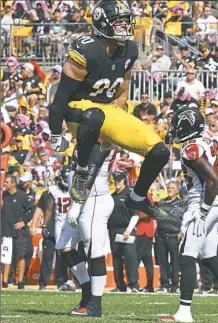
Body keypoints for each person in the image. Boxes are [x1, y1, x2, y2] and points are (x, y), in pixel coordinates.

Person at [49, 0, 170, 222]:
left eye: (126, 22)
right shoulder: (86, 48)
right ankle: (82, 171)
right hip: (78, 108)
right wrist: (55, 133)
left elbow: (123, 90)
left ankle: (137, 197)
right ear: (103, 24)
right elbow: (59, 100)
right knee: (94, 116)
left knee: (160, 151)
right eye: (119, 23)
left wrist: (117, 123)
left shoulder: (129, 49)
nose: (125, 27)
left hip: (106, 108)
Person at [160, 107, 218, 323]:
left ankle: (184, 312)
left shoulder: (191, 148)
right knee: (209, 257)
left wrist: (202, 211)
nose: (173, 128)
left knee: (186, 255)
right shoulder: (204, 142)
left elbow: (214, 181)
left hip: (202, 203)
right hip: (211, 204)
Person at [55, 143, 115, 317]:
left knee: (94, 251)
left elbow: (91, 171)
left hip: (95, 199)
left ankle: (95, 304)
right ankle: (87, 290)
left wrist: (78, 202)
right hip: (79, 199)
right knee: (63, 246)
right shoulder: (83, 137)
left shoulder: (102, 141)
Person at [108, 172, 139, 293]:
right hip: (113, 229)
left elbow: (135, 214)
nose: (117, 182)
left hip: (126, 229)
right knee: (116, 257)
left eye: (119, 180)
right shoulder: (112, 196)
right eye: (115, 180)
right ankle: (120, 285)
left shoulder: (129, 195)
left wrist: (129, 230)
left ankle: (133, 284)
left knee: (130, 257)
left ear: (124, 181)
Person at [1, 175, 33, 289]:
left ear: (13, 184)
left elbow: (32, 208)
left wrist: (24, 222)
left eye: (7, 182)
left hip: (18, 231)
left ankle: (20, 282)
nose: (5, 184)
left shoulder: (21, 196)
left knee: (20, 255)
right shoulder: (3, 195)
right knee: (6, 257)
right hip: (5, 230)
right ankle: (4, 281)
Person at [156, 182, 182, 293]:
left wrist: (181, 233)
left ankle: (175, 284)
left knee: (175, 261)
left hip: (174, 235)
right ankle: (164, 284)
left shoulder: (182, 203)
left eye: (172, 188)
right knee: (163, 261)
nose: (170, 189)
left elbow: (185, 219)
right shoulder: (161, 203)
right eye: (168, 188)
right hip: (161, 235)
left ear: (177, 190)